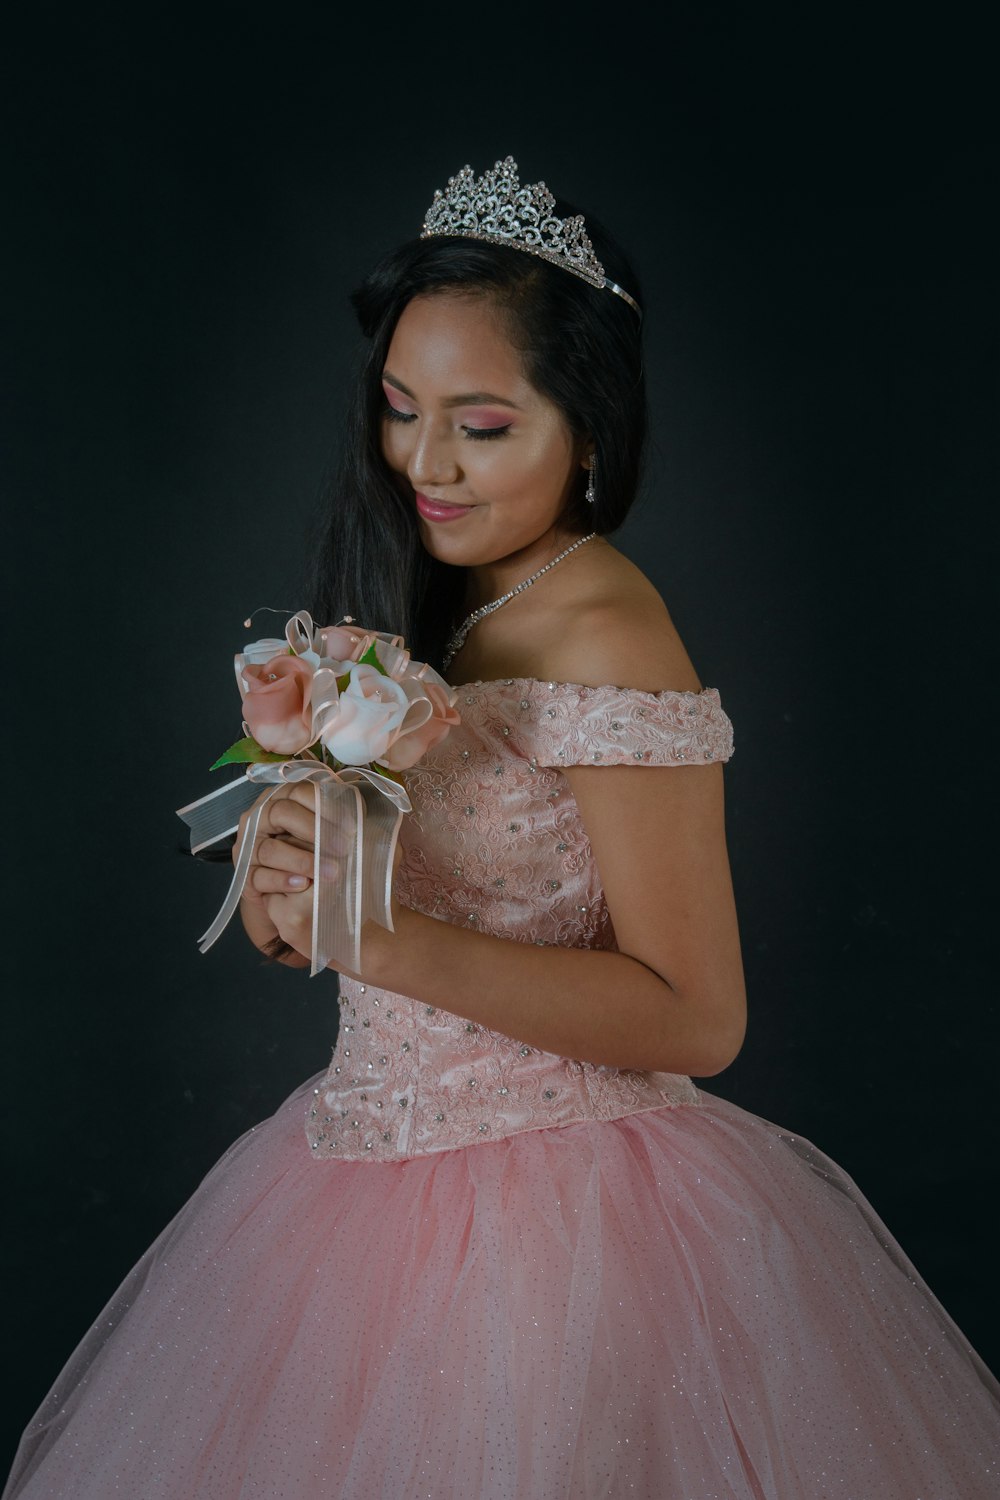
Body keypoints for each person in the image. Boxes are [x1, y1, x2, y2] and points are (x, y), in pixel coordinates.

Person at [5, 157, 998, 1499]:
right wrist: (293, 894)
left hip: (562, 1235)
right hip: (356, 1192)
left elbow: (697, 1015)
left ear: (585, 431)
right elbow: (408, 909)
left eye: (481, 424)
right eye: (401, 410)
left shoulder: (607, 630)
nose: (423, 462)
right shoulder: (451, 598)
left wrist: (385, 939)